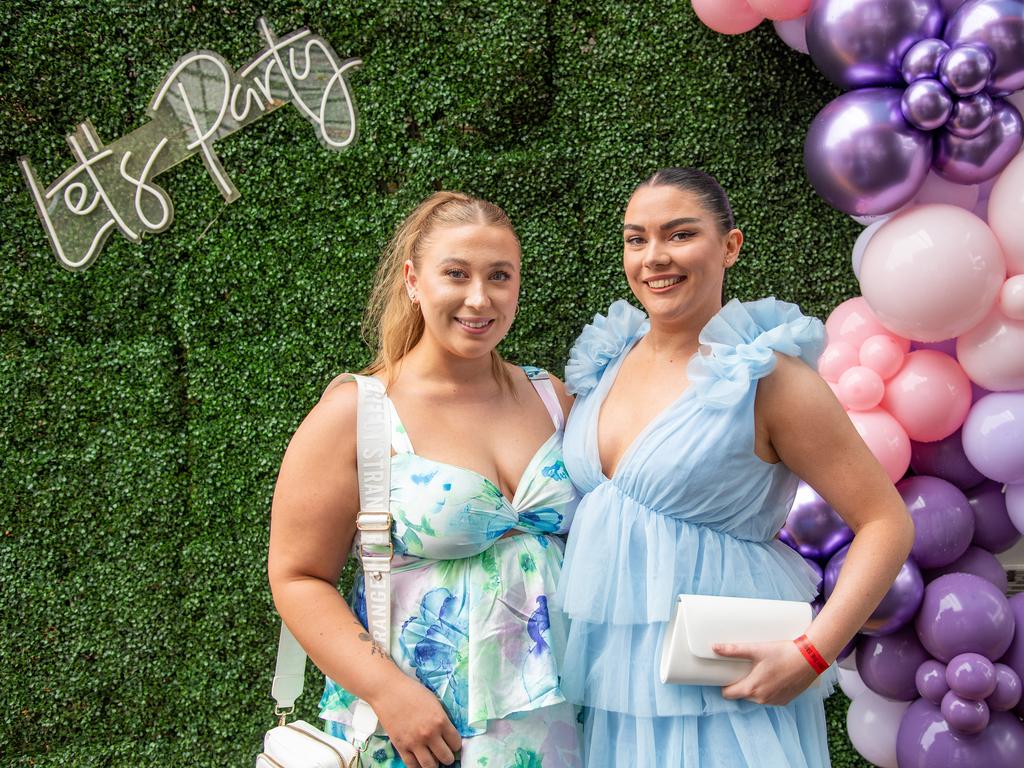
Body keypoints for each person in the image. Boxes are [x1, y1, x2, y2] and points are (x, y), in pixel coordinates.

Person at [555, 168, 915, 767]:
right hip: (616, 691)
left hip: (724, 689)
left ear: (730, 246)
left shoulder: (770, 379)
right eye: (635, 238)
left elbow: (886, 521)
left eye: (679, 234)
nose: (653, 258)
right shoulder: (604, 364)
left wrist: (813, 652)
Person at [268, 191, 583, 768]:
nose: (479, 298)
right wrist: (389, 693)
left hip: (561, 717)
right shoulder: (358, 413)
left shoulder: (551, 395)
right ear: (413, 280)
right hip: (421, 731)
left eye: (499, 276)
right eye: (455, 274)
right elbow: (297, 576)